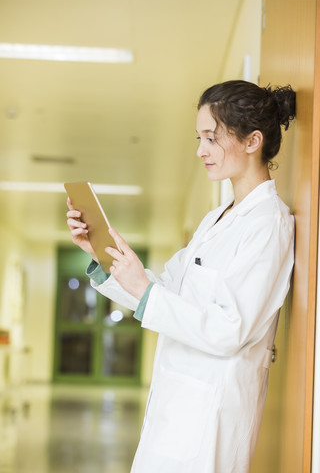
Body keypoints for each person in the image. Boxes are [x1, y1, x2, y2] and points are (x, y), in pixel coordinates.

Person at [66, 80, 296, 473]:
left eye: (211, 137)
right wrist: (100, 254)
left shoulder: (269, 224)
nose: (200, 150)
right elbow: (164, 288)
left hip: (211, 419)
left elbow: (230, 328)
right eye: (199, 137)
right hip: (177, 410)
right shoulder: (216, 219)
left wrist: (143, 287)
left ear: (252, 141)